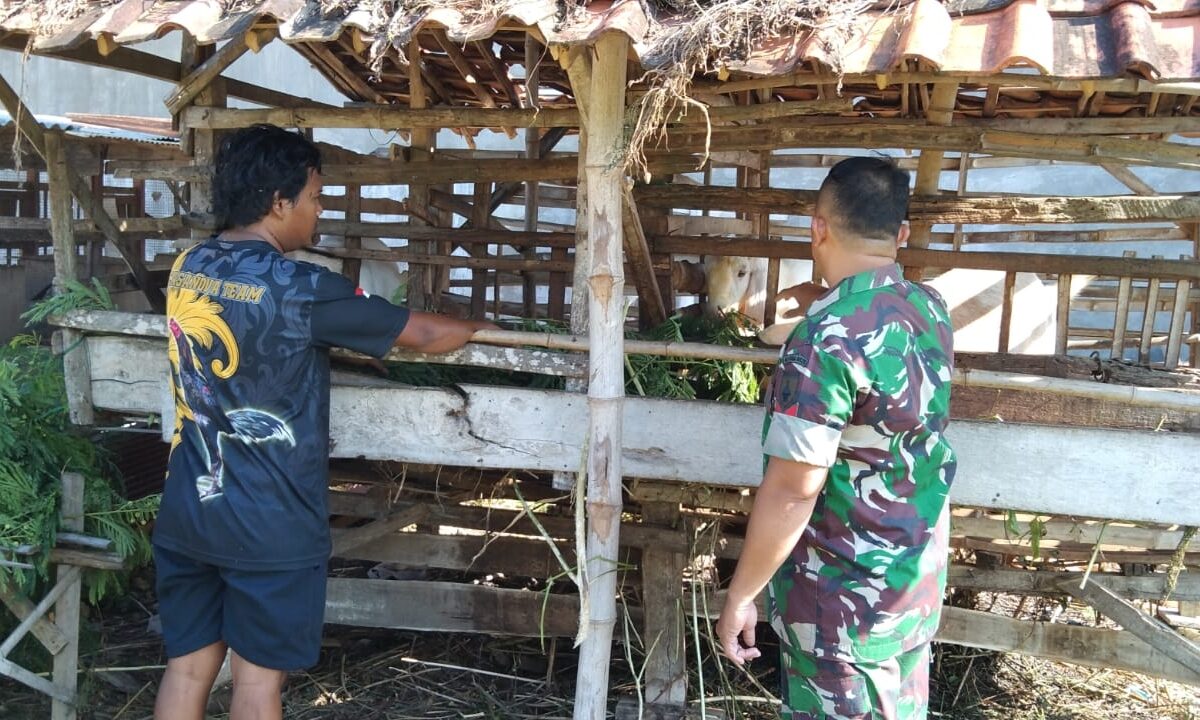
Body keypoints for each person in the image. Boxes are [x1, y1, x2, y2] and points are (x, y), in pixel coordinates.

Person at [152, 124, 495, 720]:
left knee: (185, 669)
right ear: (278, 202)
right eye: (314, 197)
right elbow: (424, 334)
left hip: (190, 507)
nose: (319, 211)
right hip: (269, 523)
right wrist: (479, 329)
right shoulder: (301, 286)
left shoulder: (190, 263)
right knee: (256, 687)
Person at [715, 156, 956, 720]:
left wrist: (741, 594)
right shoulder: (931, 311)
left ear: (817, 227)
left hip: (842, 603)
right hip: (911, 586)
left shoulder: (826, 337)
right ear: (901, 235)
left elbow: (795, 489)